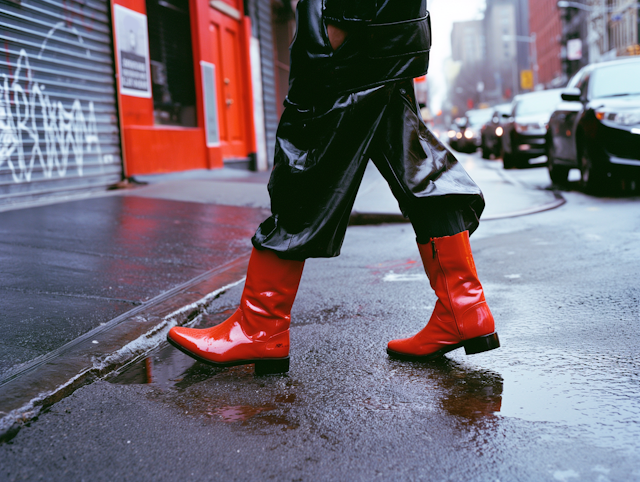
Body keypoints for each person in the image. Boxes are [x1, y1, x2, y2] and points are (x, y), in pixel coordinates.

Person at [167, 0, 500, 375]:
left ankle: (260, 324)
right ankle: (463, 307)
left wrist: (341, 18)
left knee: (307, 156)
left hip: (354, 21)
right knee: (410, 157)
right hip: (389, 23)